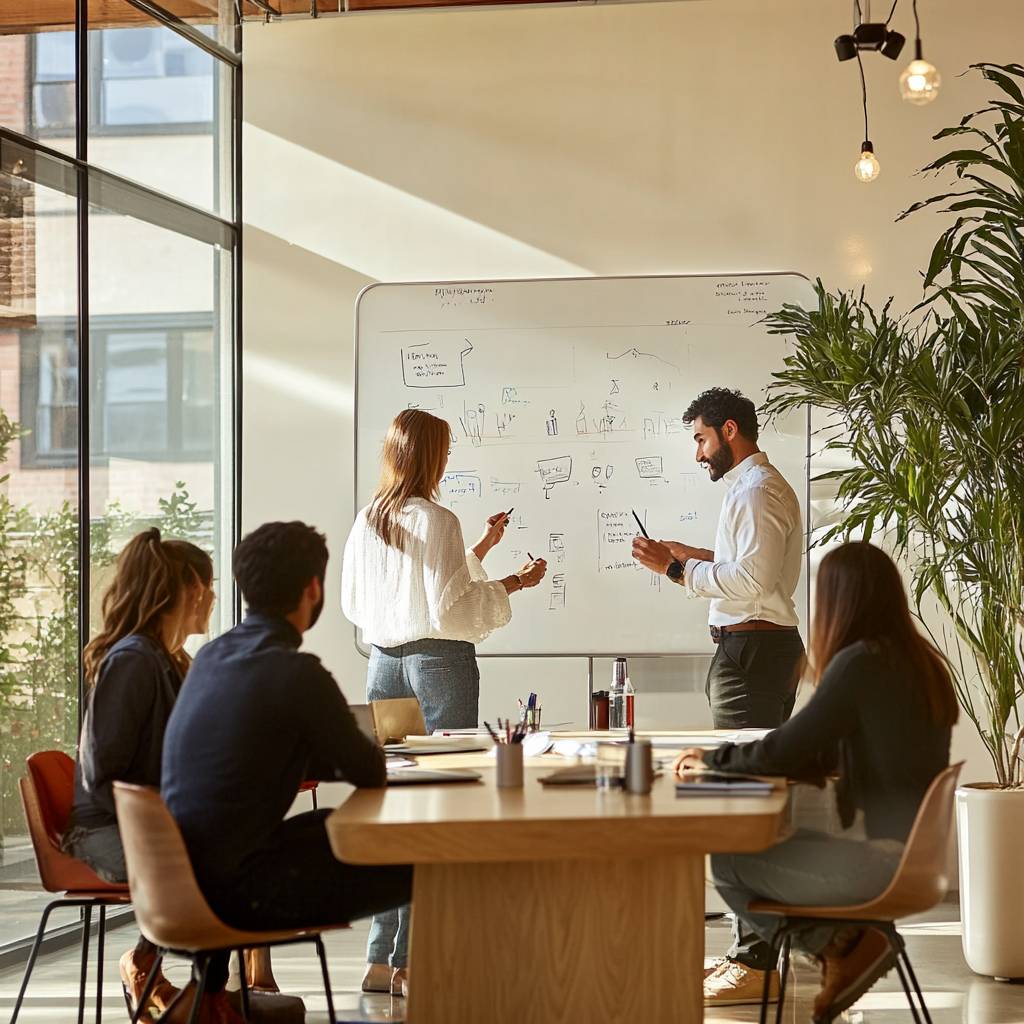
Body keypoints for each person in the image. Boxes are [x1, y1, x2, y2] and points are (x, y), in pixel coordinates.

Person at [673, 542, 956, 1020]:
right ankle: (841, 946)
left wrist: (713, 759)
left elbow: (788, 748)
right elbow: (823, 747)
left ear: (840, 600)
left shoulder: (862, 662)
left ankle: (844, 944)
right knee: (766, 836)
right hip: (910, 858)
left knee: (727, 860)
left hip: (878, 863)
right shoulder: (914, 660)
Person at [162, 521, 413, 1023]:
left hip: (179, 880)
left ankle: (212, 995)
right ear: (312, 589)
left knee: (326, 829)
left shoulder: (211, 656)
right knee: (431, 859)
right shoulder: (298, 673)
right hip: (241, 892)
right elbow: (367, 770)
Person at [341, 408, 547, 996]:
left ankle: (380, 959)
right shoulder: (440, 519)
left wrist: (484, 544)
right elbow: (452, 609)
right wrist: (514, 584)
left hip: (383, 666)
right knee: (436, 808)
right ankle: (414, 960)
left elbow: (394, 595)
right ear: (432, 455)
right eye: (447, 449)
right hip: (439, 668)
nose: (449, 459)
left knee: (396, 808)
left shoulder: (369, 520)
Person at [631, 386, 805, 1004]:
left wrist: (675, 571)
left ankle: (755, 962)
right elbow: (748, 568)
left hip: (753, 657)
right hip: (753, 652)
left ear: (731, 431)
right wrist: (695, 554)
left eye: (702, 439)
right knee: (740, 798)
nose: (698, 453)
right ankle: (747, 950)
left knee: (739, 802)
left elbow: (751, 581)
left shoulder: (756, 491)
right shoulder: (752, 488)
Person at [63, 529, 215, 1019]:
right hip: (103, 829)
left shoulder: (171, 661)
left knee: (227, 853)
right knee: (211, 867)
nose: (212, 595)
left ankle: (175, 980)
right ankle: (203, 998)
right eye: (206, 584)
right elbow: (104, 768)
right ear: (186, 590)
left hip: (140, 822)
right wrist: (167, 822)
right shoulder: (133, 661)